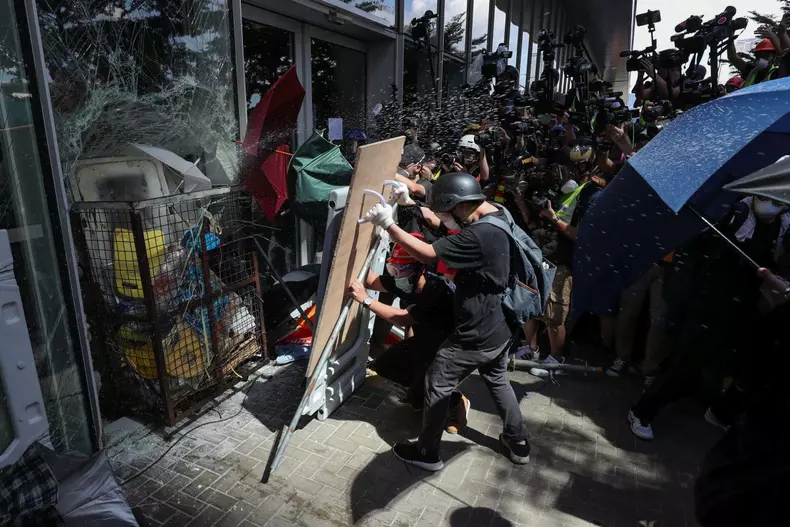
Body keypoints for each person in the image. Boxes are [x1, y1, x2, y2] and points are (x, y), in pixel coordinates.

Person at [363, 173, 530, 470]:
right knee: (497, 379)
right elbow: (447, 229)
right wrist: (411, 205)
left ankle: (427, 452)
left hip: (475, 331)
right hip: (501, 324)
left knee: (437, 381)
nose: (445, 217)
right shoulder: (496, 215)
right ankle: (518, 442)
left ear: (461, 205)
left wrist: (388, 224)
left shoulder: (478, 235)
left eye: (447, 210)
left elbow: (429, 253)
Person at [628, 195, 790, 441]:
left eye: (775, 201)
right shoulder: (734, 213)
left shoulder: (781, 227)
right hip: (710, 302)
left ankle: (714, 411)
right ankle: (642, 411)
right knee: (685, 361)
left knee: (721, 364)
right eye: (763, 197)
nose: (768, 204)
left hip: (742, 307)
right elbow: (703, 254)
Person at [347, 236, 471, 433]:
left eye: (400, 269)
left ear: (419, 270)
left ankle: (456, 401)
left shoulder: (434, 290)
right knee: (384, 365)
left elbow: (402, 318)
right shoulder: (404, 280)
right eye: (392, 269)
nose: (396, 275)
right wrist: (347, 258)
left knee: (425, 385)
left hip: (449, 349)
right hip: (425, 342)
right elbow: (371, 281)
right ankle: (421, 393)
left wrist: (366, 300)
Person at [522, 164, 608, 374]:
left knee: (555, 314)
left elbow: (581, 236)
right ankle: (531, 350)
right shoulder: (553, 194)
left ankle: (556, 359)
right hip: (541, 256)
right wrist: (521, 200)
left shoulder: (589, 196)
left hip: (562, 261)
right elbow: (533, 225)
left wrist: (554, 218)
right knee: (529, 306)